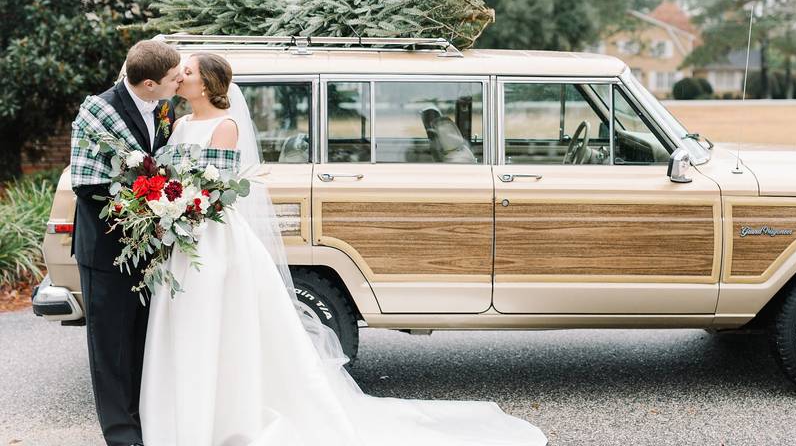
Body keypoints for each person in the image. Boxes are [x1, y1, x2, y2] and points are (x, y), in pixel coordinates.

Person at [140, 52, 548, 446]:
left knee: (222, 318)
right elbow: (174, 174)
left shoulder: (224, 126)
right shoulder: (179, 122)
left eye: (187, 71)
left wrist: (185, 204)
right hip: (186, 234)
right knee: (190, 315)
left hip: (212, 232)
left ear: (207, 83)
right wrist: (165, 203)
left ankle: (222, 411)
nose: (179, 76)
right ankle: (189, 406)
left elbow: (218, 187)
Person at [70, 40, 181, 446]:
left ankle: (145, 422)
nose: (179, 81)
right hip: (106, 248)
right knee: (110, 347)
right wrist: (146, 204)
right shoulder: (98, 111)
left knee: (141, 341)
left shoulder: (165, 108)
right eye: (172, 78)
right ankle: (121, 435)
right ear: (149, 83)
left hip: (151, 247)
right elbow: (88, 185)